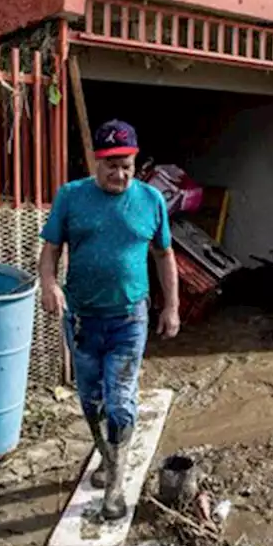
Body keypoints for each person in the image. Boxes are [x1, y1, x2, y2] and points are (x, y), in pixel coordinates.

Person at [38, 119, 180, 521]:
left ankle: (115, 485)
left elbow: (164, 255)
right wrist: (49, 284)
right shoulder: (71, 196)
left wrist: (172, 307)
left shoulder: (151, 200)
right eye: (111, 165)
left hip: (128, 318)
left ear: (136, 164)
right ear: (95, 163)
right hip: (82, 320)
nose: (119, 174)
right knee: (91, 400)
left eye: (127, 166)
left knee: (120, 404)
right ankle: (107, 457)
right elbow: (50, 250)